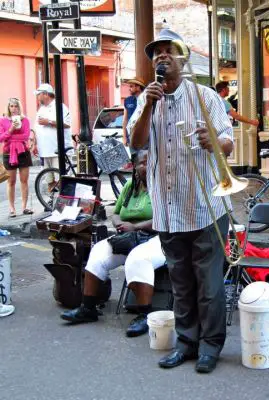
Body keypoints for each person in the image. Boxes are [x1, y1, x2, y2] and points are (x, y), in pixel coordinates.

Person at [129, 29, 234, 374]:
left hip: (204, 207)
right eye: (156, 53)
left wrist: (213, 142)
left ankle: (211, 346)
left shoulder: (204, 96)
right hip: (168, 209)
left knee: (209, 285)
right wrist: (147, 106)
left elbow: (229, 142)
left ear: (182, 58)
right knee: (181, 283)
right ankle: (187, 343)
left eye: (168, 51)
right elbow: (136, 141)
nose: (161, 57)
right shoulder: (150, 99)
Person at [60, 151, 167, 337]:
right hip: (129, 237)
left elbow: (165, 219)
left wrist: (135, 226)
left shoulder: (164, 188)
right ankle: (88, 308)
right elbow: (116, 212)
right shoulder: (129, 187)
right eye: (143, 163)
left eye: (151, 162)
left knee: (138, 258)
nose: (147, 166)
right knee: (99, 251)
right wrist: (118, 223)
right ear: (134, 166)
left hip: (158, 237)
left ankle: (145, 315)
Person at [34, 83, 72, 191]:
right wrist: (35, 143)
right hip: (45, 150)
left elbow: (67, 124)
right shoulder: (41, 109)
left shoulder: (60, 107)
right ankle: (50, 203)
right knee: (49, 180)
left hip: (57, 149)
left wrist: (49, 122)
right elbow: (37, 127)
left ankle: (62, 203)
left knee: (61, 179)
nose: (37, 97)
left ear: (46, 94)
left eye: (39, 94)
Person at [0, 97, 33, 217]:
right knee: (11, 182)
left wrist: (10, 136)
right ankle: (11, 208)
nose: (14, 109)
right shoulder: (2, 120)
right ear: (8, 108)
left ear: (20, 108)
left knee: (24, 181)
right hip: (8, 153)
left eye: (16, 106)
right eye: (11, 106)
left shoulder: (25, 120)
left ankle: (24, 207)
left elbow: (25, 136)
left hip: (23, 152)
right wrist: (11, 129)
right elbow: (1, 138)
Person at [122, 77, 146, 147]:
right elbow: (125, 120)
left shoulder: (146, 100)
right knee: (134, 157)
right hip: (130, 136)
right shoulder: (127, 100)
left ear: (138, 87)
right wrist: (124, 137)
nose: (129, 88)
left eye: (131, 86)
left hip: (143, 137)